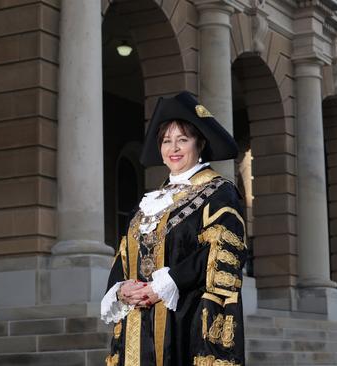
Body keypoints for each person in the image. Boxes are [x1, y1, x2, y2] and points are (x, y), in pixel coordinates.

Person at [101, 91, 246, 366]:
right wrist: (121, 289)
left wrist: (168, 284)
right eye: (166, 141)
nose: (174, 148)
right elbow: (125, 253)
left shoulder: (219, 193)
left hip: (184, 323)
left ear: (199, 143)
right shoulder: (151, 202)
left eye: (183, 139)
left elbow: (224, 253)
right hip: (137, 325)